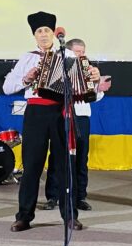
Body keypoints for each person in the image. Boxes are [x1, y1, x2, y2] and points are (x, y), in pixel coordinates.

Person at [5, 11, 100, 232]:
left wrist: (94, 78)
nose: (44, 34)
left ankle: (70, 216)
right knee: (32, 166)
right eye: (39, 31)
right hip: (36, 113)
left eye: (47, 30)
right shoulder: (27, 58)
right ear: (34, 36)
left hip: (62, 112)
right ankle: (24, 216)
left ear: (53, 33)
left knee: (66, 165)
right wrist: (26, 79)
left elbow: (87, 88)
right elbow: (8, 87)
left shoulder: (69, 54)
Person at [42, 38, 112, 212]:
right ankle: (52, 196)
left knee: (81, 157)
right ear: (69, 52)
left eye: (83, 52)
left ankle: (80, 196)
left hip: (81, 117)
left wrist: (99, 88)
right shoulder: (58, 67)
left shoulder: (89, 70)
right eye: (77, 52)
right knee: (57, 156)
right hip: (61, 116)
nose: (81, 55)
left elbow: (93, 97)